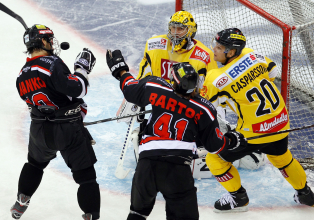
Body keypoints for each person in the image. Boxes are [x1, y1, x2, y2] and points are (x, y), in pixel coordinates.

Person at [106, 49, 247, 220]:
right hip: (177, 169)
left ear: (174, 81)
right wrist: (232, 139)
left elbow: (130, 90)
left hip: (146, 165)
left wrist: (121, 70)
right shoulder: (204, 108)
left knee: (137, 214)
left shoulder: (155, 86)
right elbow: (215, 145)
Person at [201, 27, 314, 212]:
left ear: (231, 52)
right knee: (282, 158)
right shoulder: (252, 55)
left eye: (219, 47)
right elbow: (272, 73)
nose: (214, 48)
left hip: (253, 133)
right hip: (280, 121)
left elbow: (206, 106)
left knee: (215, 160)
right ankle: (305, 194)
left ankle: (238, 198)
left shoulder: (215, 77)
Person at [11, 24, 100, 220]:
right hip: (68, 131)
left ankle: (21, 202)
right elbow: (78, 88)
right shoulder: (52, 63)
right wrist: (81, 68)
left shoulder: (21, 74)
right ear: (42, 41)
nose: (52, 42)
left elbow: (30, 102)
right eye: (49, 39)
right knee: (86, 179)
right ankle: (91, 215)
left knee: (34, 164)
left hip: (39, 131)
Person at [117, 10, 218, 167]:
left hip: (187, 104)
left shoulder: (205, 56)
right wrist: (138, 103)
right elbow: (143, 77)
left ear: (191, 30)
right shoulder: (154, 45)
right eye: (173, 28)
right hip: (160, 100)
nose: (176, 33)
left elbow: (208, 92)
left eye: (181, 29)